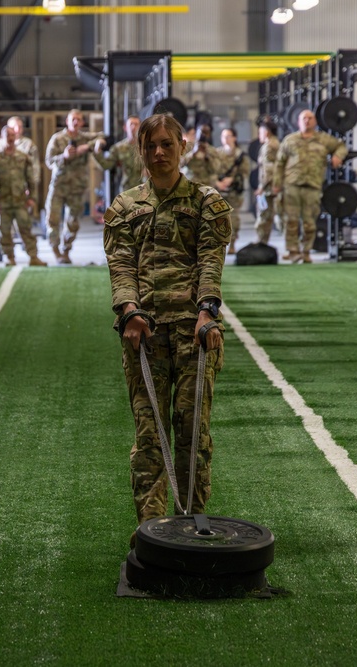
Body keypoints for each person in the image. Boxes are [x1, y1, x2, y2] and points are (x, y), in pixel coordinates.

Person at [103, 112, 231, 534]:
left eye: (167, 145)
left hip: (194, 333)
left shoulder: (206, 203)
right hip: (145, 334)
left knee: (193, 435)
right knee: (149, 439)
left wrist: (206, 312)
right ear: (140, 150)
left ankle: (193, 528)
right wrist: (129, 312)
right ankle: (154, 533)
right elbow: (121, 265)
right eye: (151, 145)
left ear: (183, 147)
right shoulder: (124, 208)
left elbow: (210, 261)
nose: (159, 152)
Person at [272, 109, 348, 263]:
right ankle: (293, 251)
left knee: (309, 221)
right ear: (298, 122)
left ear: (315, 121)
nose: (307, 121)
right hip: (291, 185)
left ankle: (306, 251)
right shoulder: (290, 140)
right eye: (304, 118)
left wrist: (337, 157)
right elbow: (279, 163)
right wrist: (276, 184)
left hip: (313, 186)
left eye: (310, 118)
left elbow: (341, 146)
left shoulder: (323, 139)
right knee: (291, 220)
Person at [44, 108, 105, 264]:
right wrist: (63, 157)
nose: (76, 122)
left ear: (82, 122)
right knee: (53, 219)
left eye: (79, 119)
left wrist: (88, 146)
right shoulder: (57, 139)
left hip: (76, 188)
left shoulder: (84, 138)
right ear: (67, 121)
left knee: (73, 222)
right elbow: (49, 161)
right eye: (73, 119)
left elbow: (103, 136)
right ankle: (55, 249)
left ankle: (66, 249)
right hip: (59, 186)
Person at [0, 125, 46, 266]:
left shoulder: (23, 157)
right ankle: (10, 257)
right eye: (7, 135)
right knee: (5, 232)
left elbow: (31, 180)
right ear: (2, 138)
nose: (10, 138)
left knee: (26, 230)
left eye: (12, 135)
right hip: (3, 203)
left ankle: (33, 257)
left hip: (20, 202)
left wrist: (32, 198)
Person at [215, 127, 249, 254]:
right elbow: (211, 170)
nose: (226, 139)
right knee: (218, 219)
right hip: (219, 191)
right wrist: (218, 182)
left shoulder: (240, 155)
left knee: (233, 218)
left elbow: (245, 172)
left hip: (234, 191)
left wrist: (232, 179)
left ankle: (233, 243)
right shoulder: (217, 154)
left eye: (229, 136)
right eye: (224, 136)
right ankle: (220, 244)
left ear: (234, 137)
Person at [95, 115, 145, 195]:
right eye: (131, 124)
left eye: (136, 124)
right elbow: (106, 165)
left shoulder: (147, 146)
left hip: (145, 188)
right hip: (127, 190)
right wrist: (97, 151)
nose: (133, 127)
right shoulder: (118, 148)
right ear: (125, 127)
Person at [253, 119, 281, 245]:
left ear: (267, 132)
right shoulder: (276, 144)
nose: (259, 135)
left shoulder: (268, 146)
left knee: (264, 216)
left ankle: (261, 243)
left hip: (268, 187)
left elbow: (268, 169)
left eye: (260, 132)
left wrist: (262, 187)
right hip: (275, 186)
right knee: (270, 216)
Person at [180, 123, 221, 189]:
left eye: (206, 133)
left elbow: (215, 169)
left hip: (206, 186)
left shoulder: (212, 151)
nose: (203, 135)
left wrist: (207, 156)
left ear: (209, 135)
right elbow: (180, 164)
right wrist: (193, 153)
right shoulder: (187, 147)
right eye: (201, 132)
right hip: (189, 185)